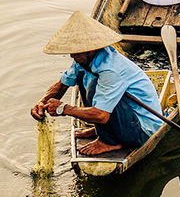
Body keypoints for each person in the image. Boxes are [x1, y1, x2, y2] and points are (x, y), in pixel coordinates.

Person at [30, 11, 164, 155]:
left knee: (94, 86)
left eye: (77, 52)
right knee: (83, 78)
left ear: (91, 49)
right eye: (72, 52)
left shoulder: (110, 70)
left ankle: (109, 141)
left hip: (141, 131)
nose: (72, 56)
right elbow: (63, 84)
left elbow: (101, 115)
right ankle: (106, 132)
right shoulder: (83, 60)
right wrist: (42, 102)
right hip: (126, 120)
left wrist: (64, 109)